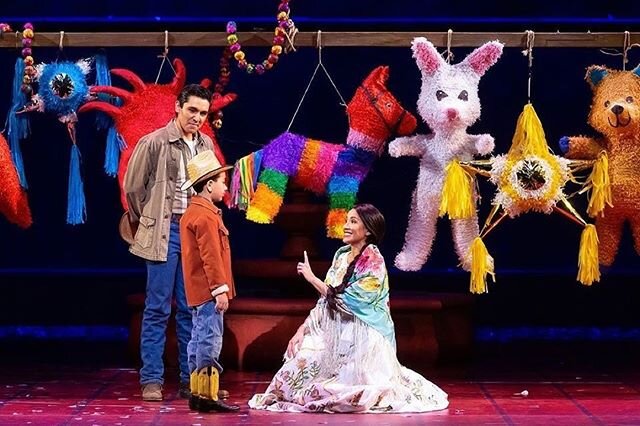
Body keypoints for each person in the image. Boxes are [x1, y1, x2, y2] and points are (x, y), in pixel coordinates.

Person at [248, 204, 449, 413]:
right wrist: (302, 330)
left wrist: (312, 278)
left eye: (353, 222)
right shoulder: (341, 256)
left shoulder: (374, 262)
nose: (346, 226)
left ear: (368, 230)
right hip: (336, 331)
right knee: (294, 370)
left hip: (365, 335)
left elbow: (346, 301)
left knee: (355, 390)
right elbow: (325, 301)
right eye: (347, 220)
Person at [123, 84, 215, 401]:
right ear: (178, 107)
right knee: (158, 308)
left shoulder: (205, 146)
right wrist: (148, 219)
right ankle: (151, 379)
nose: (197, 118)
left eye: (203, 113)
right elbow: (133, 189)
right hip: (165, 231)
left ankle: (190, 381)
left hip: (193, 234)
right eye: (192, 110)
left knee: (191, 310)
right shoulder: (154, 142)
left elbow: (211, 189)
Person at [179, 150, 239, 413]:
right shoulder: (203, 216)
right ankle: (206, 396)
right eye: (222, 181)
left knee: (197, 337)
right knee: (209, 339)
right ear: (209, 184)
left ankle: (197, 392)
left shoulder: (196, 212)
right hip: (207, 290)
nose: (225, 186)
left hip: (199, 290)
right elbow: (211, 257)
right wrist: (219, 290)